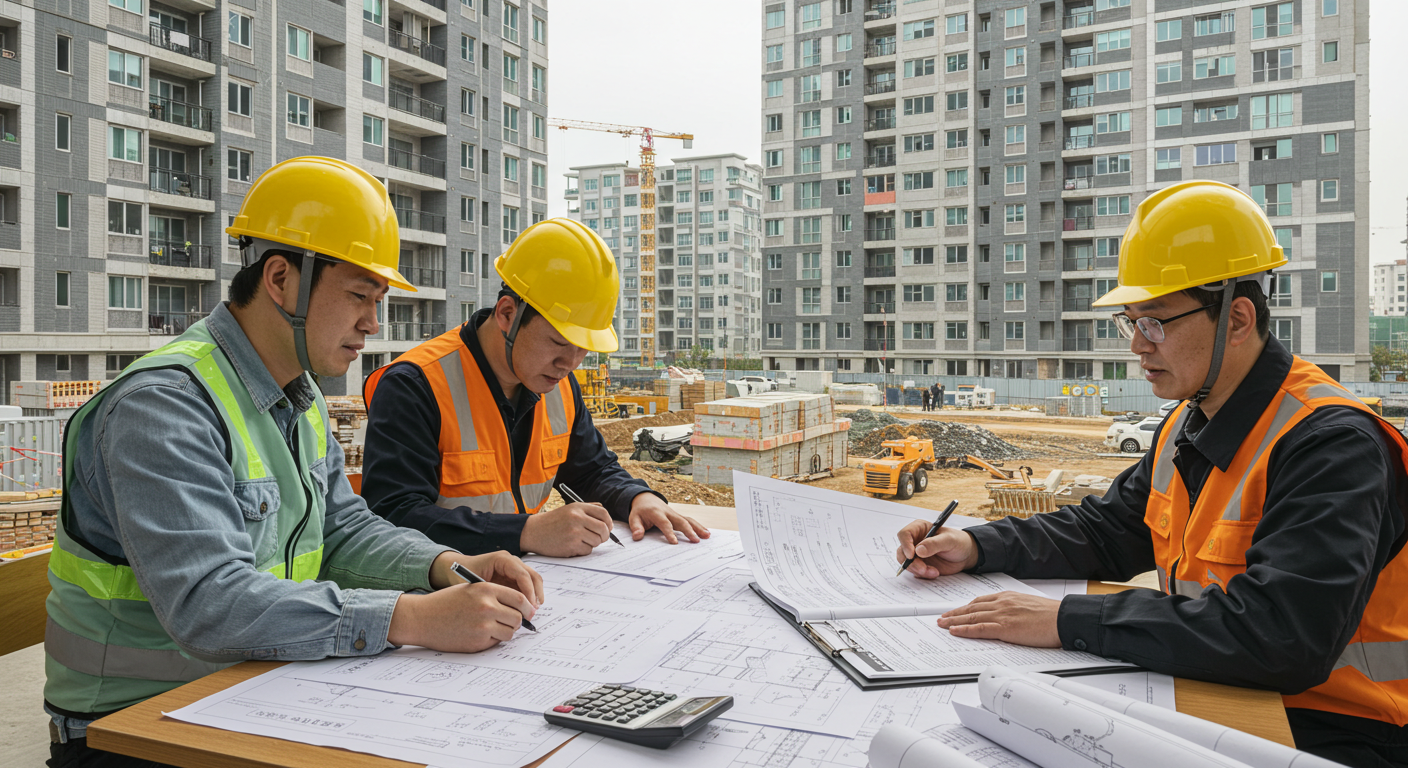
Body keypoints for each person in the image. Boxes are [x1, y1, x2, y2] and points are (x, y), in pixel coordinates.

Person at [43, 157, 544, 768]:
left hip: (247, 690)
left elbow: (341, 530)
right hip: (136, 728)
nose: (373, 323)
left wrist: (446, 565)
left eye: (379, 299)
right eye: (360, 295)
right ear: (281, 279)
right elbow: (209, 603)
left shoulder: (296, 397)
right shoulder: (164, 408)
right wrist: (410, 617)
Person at [894, 180, 1408, 768]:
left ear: (1237, 319)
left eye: (1156, 322)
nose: (1137, 345)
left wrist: (1065, 620)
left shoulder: (1332, 444)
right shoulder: (1187, 424)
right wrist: (976, 544)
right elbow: (1107, 530)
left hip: (1336, 729)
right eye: (1131, 321)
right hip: (1220, 689)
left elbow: (1284, 636)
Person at [361, 218, 709, 559]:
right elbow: (394, 516)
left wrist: (637, 498)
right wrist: (526, 532)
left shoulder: (558, 384)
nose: (570, 363)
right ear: (508, 314)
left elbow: (592, 469)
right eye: (558, 343)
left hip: (530, 588)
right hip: (441, 595)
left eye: (582, 347)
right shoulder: (415, 386)